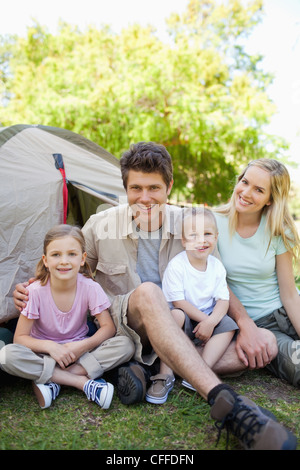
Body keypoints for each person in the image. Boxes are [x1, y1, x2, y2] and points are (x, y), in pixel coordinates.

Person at [12, 143, 297, 450]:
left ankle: (143, 371)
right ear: (124, 188)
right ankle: (227, 404)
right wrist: (34, 288)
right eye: (136, 188)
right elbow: (72, 272)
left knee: (254, 349)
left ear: (169, 186)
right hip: (124, 324)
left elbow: (217, 278)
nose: (145, 198)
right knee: (150, 293)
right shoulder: (100, 225)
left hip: (176, 328)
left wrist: (243, 324)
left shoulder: (190, 225)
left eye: (154, 188)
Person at [0, 225, 134, 409]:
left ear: (82, 258)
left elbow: (108, 328)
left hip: (79, 352)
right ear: (45, 261)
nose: (64, 261)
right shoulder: (34, 291)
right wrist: (50, 347)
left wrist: (82, 346)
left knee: (126, 345)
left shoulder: (90, 287)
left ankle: (53, 379)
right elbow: (20, 338)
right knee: (6, 356)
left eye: (72, 254)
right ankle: (83, 383)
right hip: (43, 353)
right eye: (56, 255)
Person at [213, 158, 300, 387]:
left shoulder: (279, 231)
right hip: (258, 324)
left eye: (259, 190)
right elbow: (217, 284)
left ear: (271, 199)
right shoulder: (213, 224)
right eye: (245, 182)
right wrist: (245, 325)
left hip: (286, 312)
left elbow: (290, 295)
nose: (246, 192)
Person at [149, 207, 238, 402]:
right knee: (175, 316)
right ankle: (166, 375)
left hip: (208, 320)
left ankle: (201, 370)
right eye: (194, 235)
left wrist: (212, 322)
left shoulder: (216, 267)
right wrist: (206, 321)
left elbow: (223, 300)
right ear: (184, 241)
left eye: (207, 234)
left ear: (216, 237)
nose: (202, 240)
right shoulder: (177, 265)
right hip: (186, 319)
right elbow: (177, 301)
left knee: (229, 326)